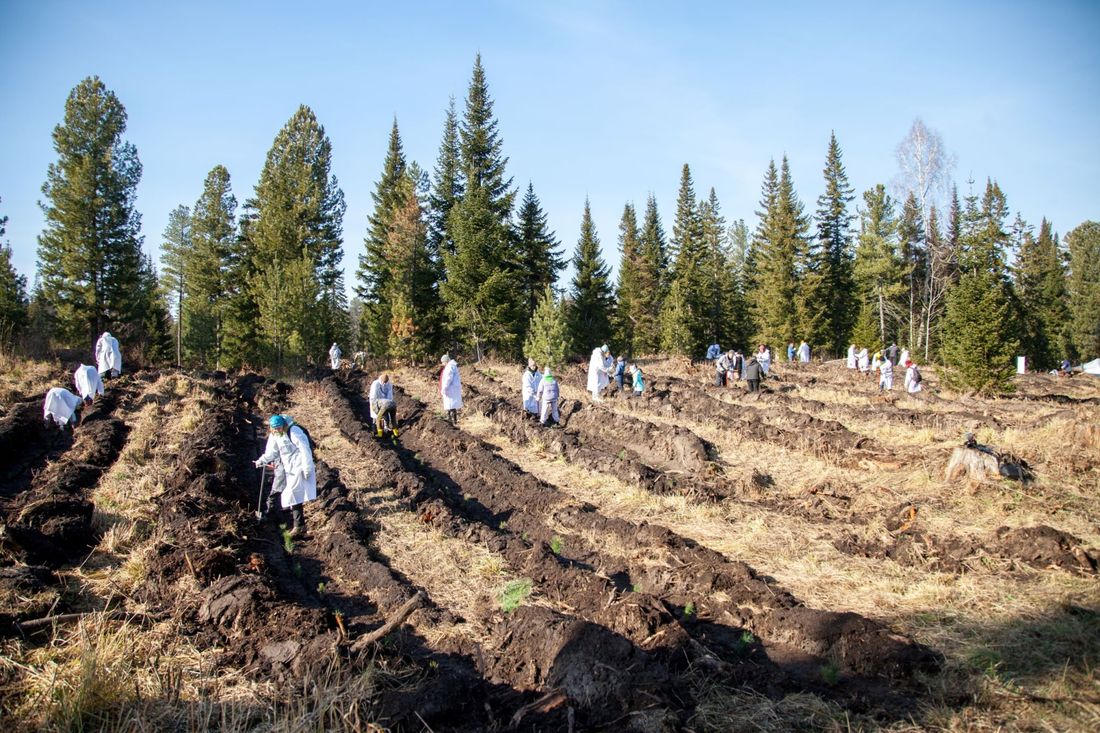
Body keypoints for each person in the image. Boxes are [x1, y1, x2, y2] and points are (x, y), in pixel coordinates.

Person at [254, 414, 316, 538]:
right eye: (275, 428)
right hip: (288, 468)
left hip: (299, 466)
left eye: (279, 428)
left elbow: (305, 450)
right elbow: (272, 452)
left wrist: (307, 468)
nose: (277, 430)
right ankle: (298, 525)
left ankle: (299, 526)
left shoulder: (294, 431)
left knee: (293, 494)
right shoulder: (275, 435)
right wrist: (262, 460)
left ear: (284, 425)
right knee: (292, 495)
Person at [369, 372, 398, 437]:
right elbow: (373, 396)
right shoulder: (375, 384)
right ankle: (395, 433)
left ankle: (380, 433)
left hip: (385, 404)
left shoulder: (389, 384)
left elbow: (390, 395)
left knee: (379, 418)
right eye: (384, 382)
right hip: (380, 402)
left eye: (386, 382)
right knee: (392, 418)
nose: (384, 384)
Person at [440, 354, 463, 425]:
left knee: (451, 405)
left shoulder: (450, 367)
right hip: (452, 389)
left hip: (451, 389)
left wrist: (444, 388)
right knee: (451, 405)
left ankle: (452, 421)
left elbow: (448, 379)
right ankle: (451, 420)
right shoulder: (451, 366)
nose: (442, 364)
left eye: (443, 362)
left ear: (446, 361)